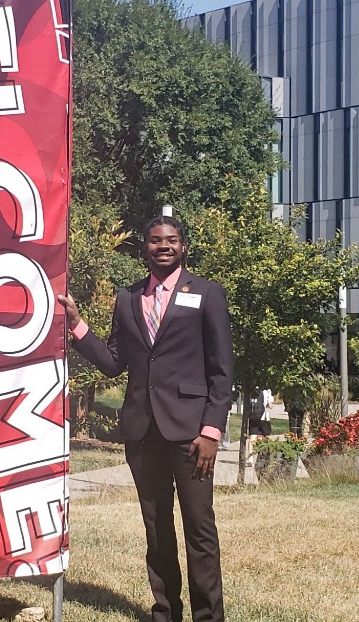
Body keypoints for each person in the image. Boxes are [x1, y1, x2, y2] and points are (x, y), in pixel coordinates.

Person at [58, 215, 232, 622]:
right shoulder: (128, 298)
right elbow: (114, 363)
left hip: (191, 435)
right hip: (142, 431)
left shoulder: (207, 294)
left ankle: (209, 616)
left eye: (171, 240)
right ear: (145, 248)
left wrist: (211, 430)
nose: (163, 246)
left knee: (199, 530)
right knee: (157, 530)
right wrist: (77, 324)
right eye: (155, 240)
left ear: (183, 246)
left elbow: (222, 372)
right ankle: (165, 612)